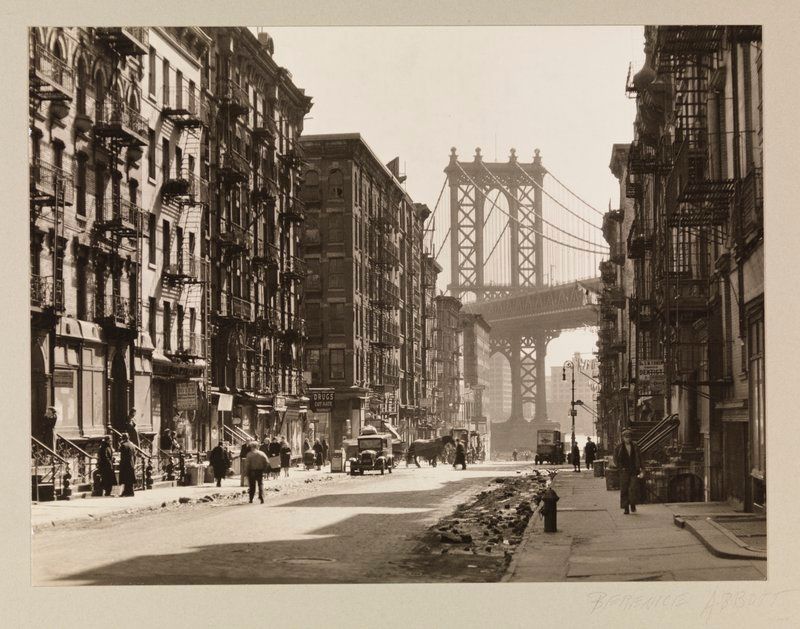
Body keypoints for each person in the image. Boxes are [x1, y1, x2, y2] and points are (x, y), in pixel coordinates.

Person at [614, 428, 644, 514]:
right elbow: (615, 459)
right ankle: (626, 507)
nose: (628, 438)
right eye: (626, 437)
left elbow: (640, 457)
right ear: (623, 438)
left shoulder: (635, 446)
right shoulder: (619, 447)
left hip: (634, 470)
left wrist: (642, 468)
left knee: (633, 488)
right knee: (624, 489)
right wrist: (620, 467)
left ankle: (633, 504)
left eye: (629, 437)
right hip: (624, 471)